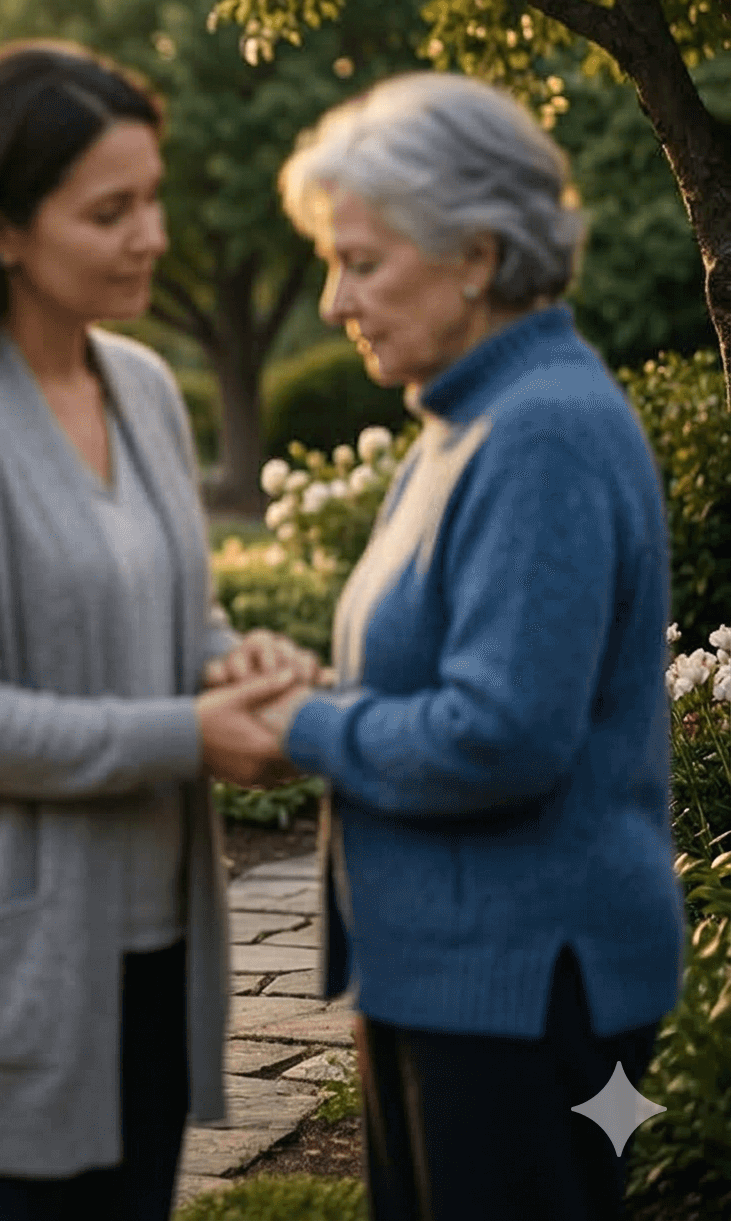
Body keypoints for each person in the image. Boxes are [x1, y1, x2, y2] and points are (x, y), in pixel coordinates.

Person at [0, 40, 311, 1221]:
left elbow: (173, 613)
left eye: (152, 198)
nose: (150, 235)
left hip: (147, 958)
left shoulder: (142, 388)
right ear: (0, 227)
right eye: (109, 211)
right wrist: (190, 733)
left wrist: (231, 666)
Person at [252, 72, 684, 1221]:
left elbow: (501, 735)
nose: (337, 299)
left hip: (528, 996)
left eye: (363, 262)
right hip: (459, 984)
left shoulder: (537, 429)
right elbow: (451, 672)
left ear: (479, 255)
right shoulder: (465, 416)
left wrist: (300, 725)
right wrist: (317, 685)